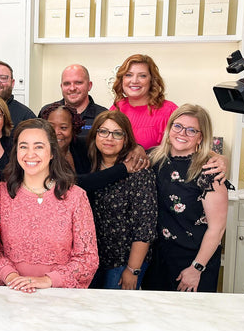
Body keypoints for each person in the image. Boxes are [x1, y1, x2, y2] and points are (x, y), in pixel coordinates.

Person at [0, 118, 98, 291]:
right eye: (24, 146)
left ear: (52, 152)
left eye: (39, 146)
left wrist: (48, 280)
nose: (30, 154)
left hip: (57, 296)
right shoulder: (0, 193)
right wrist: (11, 276)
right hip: (10, 291)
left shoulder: (76, 197)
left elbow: (87, 258)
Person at [144, 104, 232, 292]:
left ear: (201, 136)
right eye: (178, 126)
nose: (182, 133)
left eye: (191, 130)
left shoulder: (210, 171)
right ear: (169, 128)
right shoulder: (153, 159)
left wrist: (196, 268)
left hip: (194, 261)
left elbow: (217, 229)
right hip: (158, 259)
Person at [86, 111, 157, 290]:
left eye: (117, 133)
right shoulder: (89, 164)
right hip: (93, 259)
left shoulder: (139, 170)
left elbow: (145, 227)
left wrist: (133, 269)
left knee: (115, 315)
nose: (109, 138)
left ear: (126, 139)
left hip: (123, 261)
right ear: (95, 135)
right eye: (103, 132)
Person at [40, 102, 143, 192]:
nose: (57, 132)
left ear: (74, 129)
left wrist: (137, 148)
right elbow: (76, 184)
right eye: (51, 126)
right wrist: (123, 168)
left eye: (63, 127)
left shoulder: (80, 144)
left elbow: (105, 141)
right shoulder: (40, 156)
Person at [110, 54, 178, 150]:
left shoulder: (169, 111)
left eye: (142, 76)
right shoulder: (117, 108)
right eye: (128, 75)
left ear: (152, 80)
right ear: (122, 80)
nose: (134, 81)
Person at [39, 64, 107, 137]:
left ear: (89, 85)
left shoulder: (103, 116)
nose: (72, 88)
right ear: (61, 86)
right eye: (67, 84)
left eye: (78, 83)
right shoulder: (46, 113)